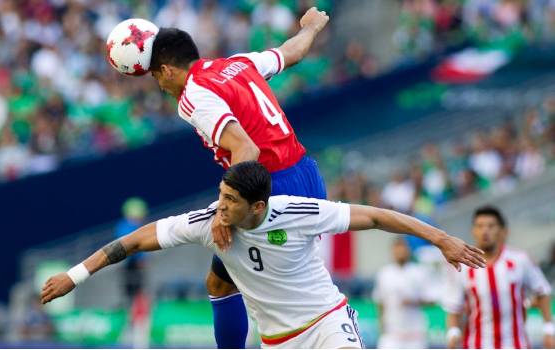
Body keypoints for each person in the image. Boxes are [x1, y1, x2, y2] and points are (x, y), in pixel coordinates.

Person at [41, 161, 486, 349]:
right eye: (221, 194)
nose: (222, 206)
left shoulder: (299, 212)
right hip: (276, 341)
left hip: (327, 325)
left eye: (231, 200)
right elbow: (135, 241)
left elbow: (376, 217)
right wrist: (75, 276)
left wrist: (442, 239)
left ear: (258, 206)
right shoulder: (208, 222)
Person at [145, 6, 330, 348]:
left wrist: (223, 212)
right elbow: (291, 52)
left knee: (248, 289)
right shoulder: (237, 64)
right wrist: (312, 28)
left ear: (168, 70)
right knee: (247, 282)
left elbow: (247, 150)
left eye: (156, 75)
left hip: (270, 185)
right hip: (305, 172)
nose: (158, 83)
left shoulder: (193, 98)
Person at [444, 206, 554, 349]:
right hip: (476, 345)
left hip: (515, 345)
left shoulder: (520, 260)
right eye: (480, 226)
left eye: (491, 226)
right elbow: (454, 306)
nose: (485, 231)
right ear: (473, 231)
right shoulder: (463, 266)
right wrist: (453, 332)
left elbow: (542, 291)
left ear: (502, 231)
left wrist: (548, 329)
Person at [373, 237, 435, 348]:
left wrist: (413, 301)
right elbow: (380, 302)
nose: (400, 251)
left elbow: (432, 300)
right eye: (397, 247)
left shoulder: (419, 272)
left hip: (415, 335)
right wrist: (381, 326)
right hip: (391, 334)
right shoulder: (384, 273)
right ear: (392, 250)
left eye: (403, 247)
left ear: (409, 250)